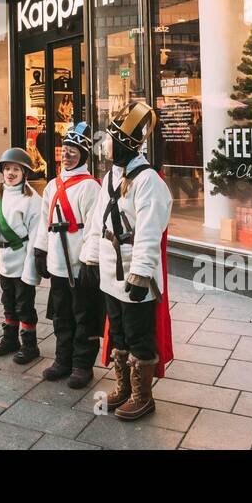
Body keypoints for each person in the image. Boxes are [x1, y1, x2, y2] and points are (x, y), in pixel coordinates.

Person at [82, 103, 174, 421]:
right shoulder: (112, 176)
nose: (108, 146)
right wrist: (91, 259)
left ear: (127, 145)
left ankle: (142, 396)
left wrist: (140, 275)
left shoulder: (149, 182)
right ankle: (123, 387)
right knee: (119, 333)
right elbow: (98, 222)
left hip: (135, 273)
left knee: (139, 336)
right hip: (110, 270)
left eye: (113, 141)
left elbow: (149, 233)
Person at [27, 122, 102, 385]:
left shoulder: (91, 187)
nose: (67, 155)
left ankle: (83, 365)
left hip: (79, 262)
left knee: (84, 315)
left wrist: (90, 260)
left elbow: (94, 227)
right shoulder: (52, 185)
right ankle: (63, 359)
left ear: (83, 155)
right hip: (58, 261)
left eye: (74, 151)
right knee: (61, 315)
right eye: (65, 149)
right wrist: (40, 250)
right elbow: (44, 222)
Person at [0, 148, 42, 354]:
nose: (10, 173)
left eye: (15, 169)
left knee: (24, 306)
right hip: (4, 259)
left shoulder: (31, 199)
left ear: (24, 173)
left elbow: (36, 235)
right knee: (8, 302)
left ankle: (30, 346)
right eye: (7, 168)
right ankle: (10, 340)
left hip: (22, 259)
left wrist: (31, 268)